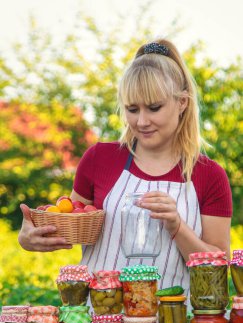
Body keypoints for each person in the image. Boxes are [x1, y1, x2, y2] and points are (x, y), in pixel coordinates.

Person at [18, 38, 232, 292]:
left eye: (154, 108)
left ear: (182, 103)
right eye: (132, 109)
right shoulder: (100, 159)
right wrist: (30, 236)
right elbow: (71, 222)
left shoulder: (209, 175)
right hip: (101, 321)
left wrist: (177, 226)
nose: (141, 121)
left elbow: (217, 271)